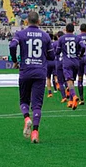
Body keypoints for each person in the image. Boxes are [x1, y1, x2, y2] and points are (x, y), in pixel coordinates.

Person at [9, 11, 54, 143]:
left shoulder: (20, 34)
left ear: (27, 21)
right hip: (40, 72)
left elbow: (12, 45)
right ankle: (35, 132)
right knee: (37, 105)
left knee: (24, 101)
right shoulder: (45, 36)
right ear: (39, 22)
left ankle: (26, 118)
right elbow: (51, 56)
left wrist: (14, 60)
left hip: (25, 71)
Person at [56, 23, 82, 110]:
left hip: (67, 62)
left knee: (69, 81)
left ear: (66, 29)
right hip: (76, 61)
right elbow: (83, 47)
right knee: (72, 80)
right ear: (73, 30)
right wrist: (80, 54)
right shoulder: (77, 38)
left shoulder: (62, 38)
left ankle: (74, 96)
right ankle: (71, 101)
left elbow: (57, 51)